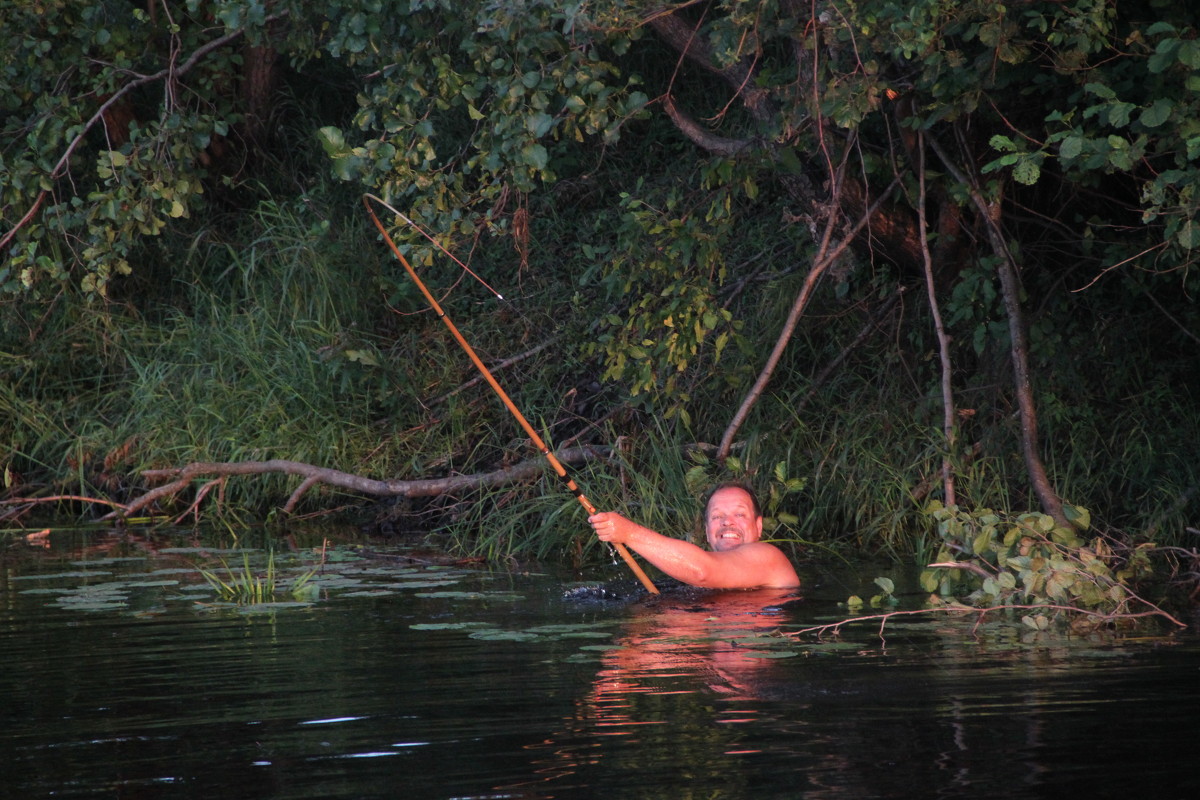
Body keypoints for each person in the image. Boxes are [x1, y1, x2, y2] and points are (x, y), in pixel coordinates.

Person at [588, 482, 800, 590]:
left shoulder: (768, 556)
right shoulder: (695, 567)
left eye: (740, 514)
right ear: (707, 531)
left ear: (759, 526)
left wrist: (629, 533)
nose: (728, 521)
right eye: (718, 516)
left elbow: (702, 572)